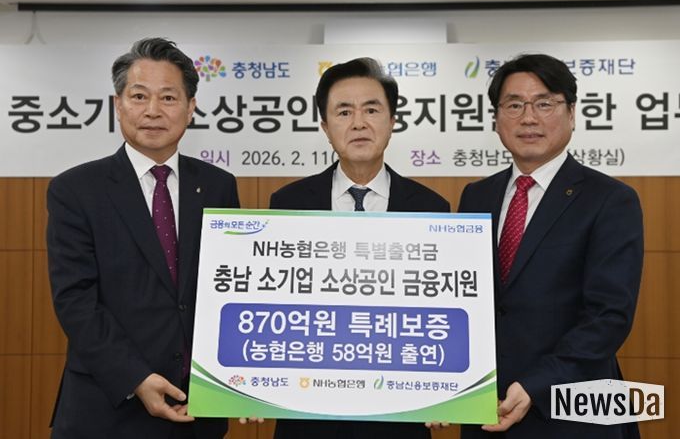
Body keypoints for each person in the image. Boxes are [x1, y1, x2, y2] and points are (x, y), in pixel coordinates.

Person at [47, 38, 239, 438]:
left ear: (190, 107)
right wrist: (136, 378)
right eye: (139, 96)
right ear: (118, 105)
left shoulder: (218, 186)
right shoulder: (75, 190)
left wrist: (245, 379)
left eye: (168, 97)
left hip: (196, 409)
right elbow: (75, 300)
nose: (153, 110)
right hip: (106, 407)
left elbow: (230, 290)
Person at [457, 54, 643, 438]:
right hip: (485, 407)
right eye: (514, 105)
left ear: (571, 113)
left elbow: (608, 316)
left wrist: (535, 385)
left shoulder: (610, 200)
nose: (528, 118)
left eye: (544, 104)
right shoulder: (476, 196)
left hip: (572, 410)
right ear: (496, 119)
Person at [270, 57, 450, 439]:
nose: (358, 123)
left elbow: (443, 313)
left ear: (392, 121)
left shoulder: (432, 209)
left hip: (400, 415)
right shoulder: (287, 204)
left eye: (371, 109)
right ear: (325, 126)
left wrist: (446, 391)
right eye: (343, 112)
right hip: (308, 413)